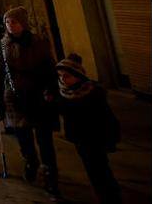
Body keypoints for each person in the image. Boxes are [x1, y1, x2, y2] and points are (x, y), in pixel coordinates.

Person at [0, 6, 59, 196]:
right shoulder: (3, 45)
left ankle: (49, 174)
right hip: (14, 97)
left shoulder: (39, 42)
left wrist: (51, 89)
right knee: (23, 136)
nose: (10, 26)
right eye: (7, 22)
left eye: (14, 22)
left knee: (45, 139)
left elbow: (49, 68)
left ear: (23, 23)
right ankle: (30, 161)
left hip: (38, 95)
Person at [54, 54, 121, 202]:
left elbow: (107, 117)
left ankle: (111, 197)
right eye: (61, 76)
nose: (63, 79)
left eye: (67, 76)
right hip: (79, 138)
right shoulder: (64, 94)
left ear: (78, 76)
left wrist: (111, 138)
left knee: (100, 169)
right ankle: (104, 195)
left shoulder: (92, 92)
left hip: (95, 136)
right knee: (92, 169)